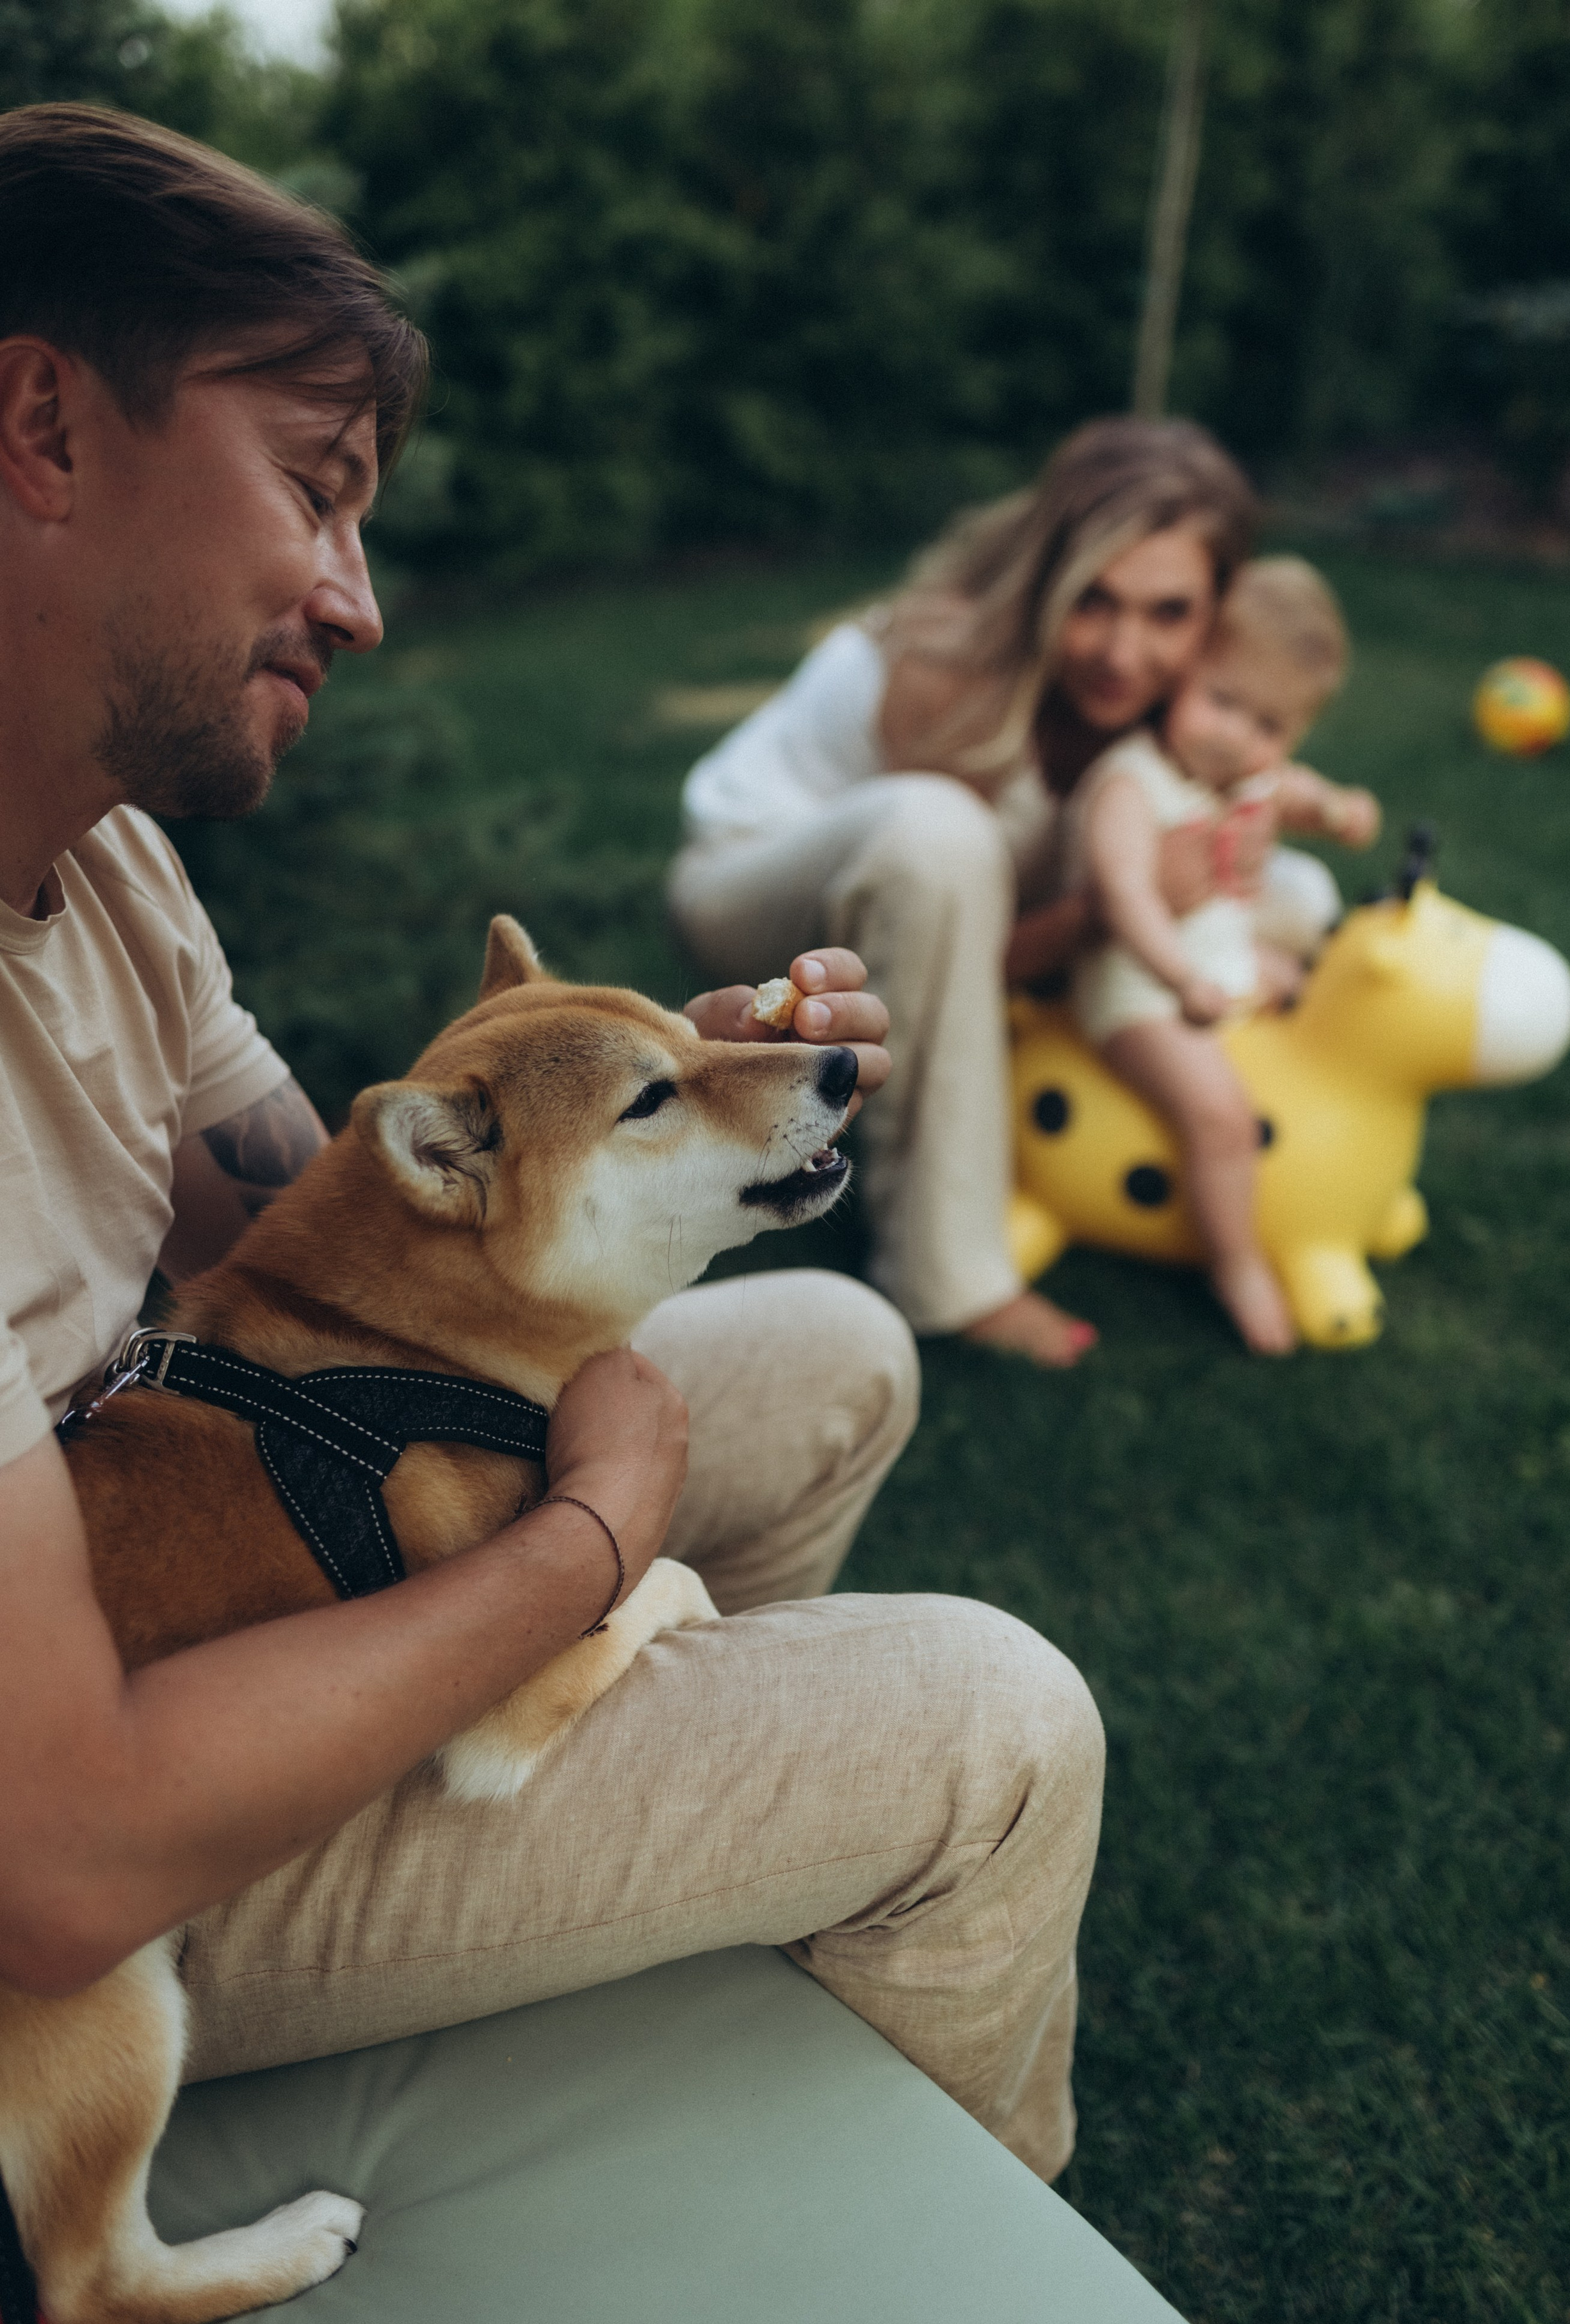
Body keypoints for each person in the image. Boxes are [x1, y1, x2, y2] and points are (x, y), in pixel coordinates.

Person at [0, 104, 1102, 2190]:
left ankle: (669, 1938)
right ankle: (887, 2295)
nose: (363, 599)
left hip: (214, 1551)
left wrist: (703, 1120)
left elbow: (322, 1236)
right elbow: (58, 1863)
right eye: (320, 496)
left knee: (840, 1360)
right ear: (44, 428)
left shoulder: (102, 867)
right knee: (997, 1727)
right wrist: (588, 1555)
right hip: (89, 1890)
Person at [669, 419, 1359, 1368]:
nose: (1124, 650)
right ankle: (946, 1278)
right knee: (939, 831)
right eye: (1095, 602)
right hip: (756, 884)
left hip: (961, 903)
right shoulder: (946, 668)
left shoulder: (1176, 704)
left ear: (1217, 611)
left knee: (1298, 890)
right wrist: (1105, 913)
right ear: (1047, 580)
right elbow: (950, 959)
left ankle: (1281, 1137)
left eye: (1169, 613)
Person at [1067, 558, 1380, 1354]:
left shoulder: (1247, 771)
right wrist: (1182, 980)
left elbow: (1299, 795)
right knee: (1218, 1115)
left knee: (1316, 989)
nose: (1237, 735)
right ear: (1185, 675)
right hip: (1138, 990)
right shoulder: (1130, 786)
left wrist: (1341, 812)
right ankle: (1235, 1263)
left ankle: (1338, 1182)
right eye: (1221, 701)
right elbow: (1126, 897)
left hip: (1217, 964)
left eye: (1268, 725)